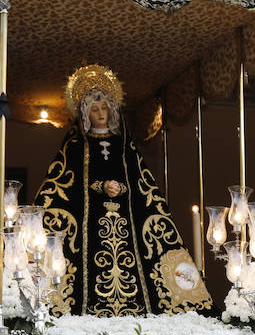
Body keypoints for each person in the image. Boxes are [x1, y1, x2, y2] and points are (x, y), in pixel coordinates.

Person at [35, 63, 212, 317]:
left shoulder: (124, 144)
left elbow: (142, 183)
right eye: (94, 109)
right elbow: (64, 187)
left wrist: (123, 187)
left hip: (126, 222)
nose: (100, 113)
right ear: (85, 114)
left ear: (112, 109)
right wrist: (99, 186)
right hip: (90, 227)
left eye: (104, 107)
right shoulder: (75, 146)